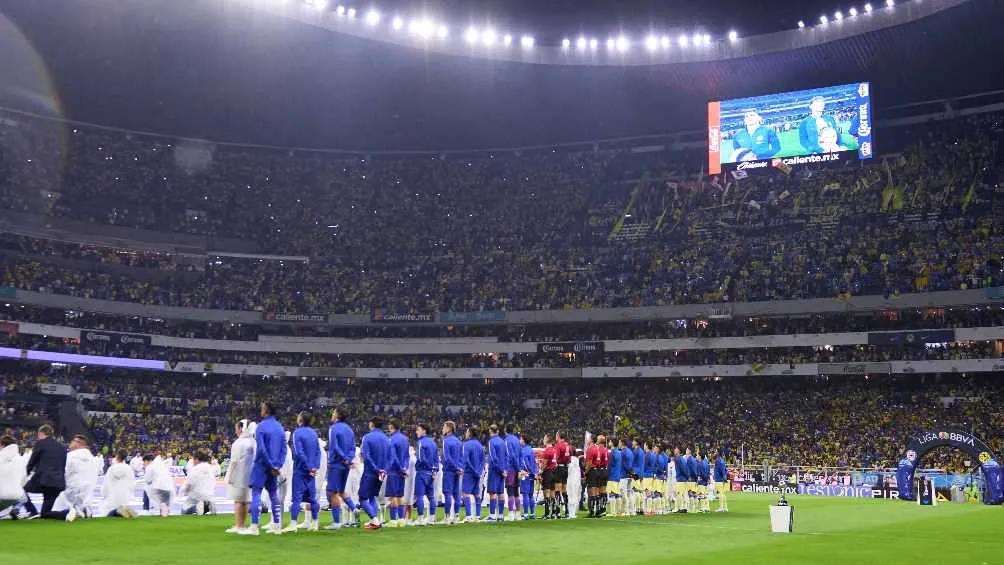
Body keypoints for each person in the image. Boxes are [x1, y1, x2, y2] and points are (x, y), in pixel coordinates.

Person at [242, 401, 287, 536]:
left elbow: (261, 449)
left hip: (262, 465)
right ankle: (276, 525)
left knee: (256, 493)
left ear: (266, 410)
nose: (260, 410)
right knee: (273, 494)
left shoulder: (261, 427)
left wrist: (270, 464)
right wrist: (277, 465)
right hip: (274, 467)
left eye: (262, 408)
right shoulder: (280, 427)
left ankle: (254, 526)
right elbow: (284, 449)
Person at [283, 411, 320, 532]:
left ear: (301, 419)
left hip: (301, 469)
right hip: (312, 471)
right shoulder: (314, 433)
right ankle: (315, 524)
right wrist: (315, 466)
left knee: (297, 499)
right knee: (312, 498)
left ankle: (293, 525)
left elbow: (299, 452)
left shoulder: (297, 433)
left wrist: (309, 466)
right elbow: (318, 452)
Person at [22, 424, 66, 519]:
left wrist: (24, 475)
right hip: (58, 483)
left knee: (21, 491)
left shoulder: (40, 443)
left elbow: (32, 462)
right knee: (45, 514)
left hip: (43, 480)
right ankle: (67, 513)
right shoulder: (62, 447)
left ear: (40, 433)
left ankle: (32, 511)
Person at [326, 406, 359, 530]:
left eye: (334, 412)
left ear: (337, 415)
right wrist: (348, 459)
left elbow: (334, 446)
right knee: (340, 490)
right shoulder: (350, 429)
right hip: (345, 465)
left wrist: (344, 458)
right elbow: (353, 447)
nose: (332, 414)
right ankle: (354, 509)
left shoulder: (333, 428)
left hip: (336, 463)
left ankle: (336, 522)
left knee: (332, 492)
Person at [57, 435, 100, 522]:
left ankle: (71, 511)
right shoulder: (92, 458)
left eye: (73, 441)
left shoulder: (70, 456)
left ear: (78, 444)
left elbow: (64, 472)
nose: (71, 443)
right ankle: (83, 509)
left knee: (56, 507)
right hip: (86, 492)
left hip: (71, 490)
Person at [225, 419, 256, 534]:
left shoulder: (238, 443)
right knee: (246, 501)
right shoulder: (253, 442)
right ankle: (243, 524)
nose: (236, 430)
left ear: (240, 428)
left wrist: (229, 476)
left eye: (237, 428)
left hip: (238, 475)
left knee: (238, 501)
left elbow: (233, 461)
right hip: (250, 476)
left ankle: (239, 525)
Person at [359, 416, 389, 529]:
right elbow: (390, 457)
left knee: (362, 497)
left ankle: (375, 520)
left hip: (370, 472)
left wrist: (376, 469)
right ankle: (374, 520)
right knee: (372, 497)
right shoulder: (387, 439)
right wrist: (383, 470)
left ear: (372, 424)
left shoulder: (367, 437)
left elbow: (366, 456)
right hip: (381, 474)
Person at [413, 423, 438, 526]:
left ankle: (420, 519)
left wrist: (417, 466)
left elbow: (420, 459)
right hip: (431, 473)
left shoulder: (420, 442)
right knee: (431, 497)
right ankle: (432, 518)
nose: (416, 432)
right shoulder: (433, 442)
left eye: (418, 430)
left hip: (422, 472)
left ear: (424, 431)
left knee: (419, 496)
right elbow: (436, 458)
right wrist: (434, 470)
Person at [385, 419, 409, 527]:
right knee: (400, 496)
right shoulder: (405, 439)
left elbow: (393, 458)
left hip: (394, 471)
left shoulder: (391, 439)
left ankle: (393, 520)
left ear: (391, 426)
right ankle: (401, 519)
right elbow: (407, 456)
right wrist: (405, 468)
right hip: (402, 472)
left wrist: (400, 469)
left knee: (393, 495)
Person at [181, 448, 217, 516]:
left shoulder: (195, 469)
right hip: (210, 496)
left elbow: (189, 484)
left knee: (184, 511)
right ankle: (208, 504)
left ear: (197, 459)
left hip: (197, 497)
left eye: (193, 460)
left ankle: (199, 506)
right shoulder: (211, 468)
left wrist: (184, 492)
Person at [101, 449, 136, 518]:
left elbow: (106, 485)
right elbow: (132, 485)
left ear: (117, 456)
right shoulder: (129, 469)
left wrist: (105, 495)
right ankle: (122, 510)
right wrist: (129, 494)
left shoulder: (112, 469)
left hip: (112, 499)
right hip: (125, 498)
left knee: (108, 514)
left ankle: (116, 511)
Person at [461, 425, 484, 523]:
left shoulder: (466, 445)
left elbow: (465, 460)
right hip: (478, 473)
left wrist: (473, 470)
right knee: (476, 494)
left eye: (467, 432)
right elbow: (482, 460)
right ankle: (477, 516)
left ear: (470, 433)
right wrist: (478, 471)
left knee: (465, 493)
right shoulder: (480, 445)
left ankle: (469, 516)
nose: (465, 433)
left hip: (469, 473)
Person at [440, 420, 462, 525]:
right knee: (456, 494)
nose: (442, 429)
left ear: (449, 429)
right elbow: (461, 457)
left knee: (448, 493)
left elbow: (447, 458)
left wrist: (455, 467)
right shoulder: (458, 441)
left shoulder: (446, 441)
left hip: (449, 470)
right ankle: (456, 516)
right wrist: (459, 468)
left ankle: (447, 517)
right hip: (457, 471)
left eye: (444, 427)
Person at [0, 435, 26, 518]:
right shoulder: (20, 459)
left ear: (2, 445)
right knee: (24, 497)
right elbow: (24, 477)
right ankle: (16, 509)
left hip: (2, 494)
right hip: (16, 495)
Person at [584, 434, 609, 518]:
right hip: (603, 470)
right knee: (601, 492)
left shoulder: (592, 449)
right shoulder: (604, 449)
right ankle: (601, 510)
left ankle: (593, 511)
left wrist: (586, 472)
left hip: (594, 471)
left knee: (593, 492)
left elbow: (589, 463)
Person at [485, 424, 506, 522]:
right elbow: (506, 456)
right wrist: (504, 470)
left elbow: (493, 458)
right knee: (500, 492)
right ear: (497, 431)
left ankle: (492, 515)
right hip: (502, 470)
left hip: (494, 470)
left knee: (493, 492)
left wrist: (500, 469)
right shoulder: (503, 442)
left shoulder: (491, 442)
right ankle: (501, 515)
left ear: (490, 431)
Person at [143, 453, 173, 517]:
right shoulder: (162, 464)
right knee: (164, 504)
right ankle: (164, 512)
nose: (144, 464)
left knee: (146, 489)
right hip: (169, 488)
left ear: (148, 461)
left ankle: (145, 509)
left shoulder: (150, 466)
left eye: (144, 462)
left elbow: (147, 480)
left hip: (158, 488)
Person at [502, 424, 522, 521]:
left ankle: (510, 514)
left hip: (510, 468)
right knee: (516, 492)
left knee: (510, 491)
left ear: (506, 430)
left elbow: (511, 455)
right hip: (517, 468)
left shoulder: (506, 440)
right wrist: (519, 468)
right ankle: (518, 514)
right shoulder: (517, 440)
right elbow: (520, 455)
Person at [553, 431, 572, 519]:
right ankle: (567, 511)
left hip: (559, 468)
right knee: (564, 490)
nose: (555, 437)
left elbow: (555, 458)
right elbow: (570, 458)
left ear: (559, 436)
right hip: (566, 468)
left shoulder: (558, 445)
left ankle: (558, 511)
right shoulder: (568, 445)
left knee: (557, 489)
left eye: (556, 435)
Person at [519, 435, 537, 520]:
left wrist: (526, 471)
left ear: (524, 440)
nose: (520, 440)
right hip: (532, 475)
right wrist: (534, 473)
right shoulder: (531, 450)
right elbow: (534, 463)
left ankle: (526, 514)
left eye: (521, 439)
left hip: (525, 474)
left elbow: (525, 462)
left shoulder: (523, 451)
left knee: (525, 494)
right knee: (530, 495)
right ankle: (532, 513)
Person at [539, 434, 557, 520]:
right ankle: (553, 513)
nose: (543, 440)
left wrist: (540, 472)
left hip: (548, 473)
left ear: (547, 440)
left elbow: (544, 464)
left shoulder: (547, 451)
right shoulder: (554, 450)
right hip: (554, 472)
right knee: (553, 493)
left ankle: (547, 514)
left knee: (546, 493)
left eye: (544, 438)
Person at [605, 437, 623, 517]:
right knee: (617, 494)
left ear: (612, 443)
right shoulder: (620, 452)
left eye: (610, 441)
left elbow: (609, 466)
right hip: (618, 476)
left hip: (612, 475)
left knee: (612, 494)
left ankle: (613, 512)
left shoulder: (611, 453)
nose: (609, 442)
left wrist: (606, 475)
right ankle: (619, 512)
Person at [641, 441, 656, 516]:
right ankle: (652, 510)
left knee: (647, 494)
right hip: (651, 475)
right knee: (651, 493)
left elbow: (644, 466)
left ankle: (647, 510)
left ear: (646, 446)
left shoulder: (647, 455)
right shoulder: (653, 454)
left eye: (644, 445)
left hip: (646, 475)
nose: (643, 446)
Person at [619, 438, 634, 515]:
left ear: (622, 443)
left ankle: (626, 511)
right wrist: (631, 472)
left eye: (619, 442)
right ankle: (632, 511)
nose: (619, 443)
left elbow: (624, 464)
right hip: (629, 475)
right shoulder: (630, 451)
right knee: (629, 493)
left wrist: (628, 471)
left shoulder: (623, 452)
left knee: (623, 492)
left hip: (624, 475)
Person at [631, 439, 645, 516]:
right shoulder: (642, 451)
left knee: (635, 491)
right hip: (641, 473)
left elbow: (632, 462)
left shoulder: (635, 451)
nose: (632, 442)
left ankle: (637, 509)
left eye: (633, 441)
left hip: (636, 473)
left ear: (636, 442)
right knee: (640, 491)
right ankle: (641, 508)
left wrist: (632, 472)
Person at [566, 449, 582, 519]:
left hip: (571, 479)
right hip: (577, 480)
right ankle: (573, 512)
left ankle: (571, 513)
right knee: (576, 495)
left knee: (571, 496)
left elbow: (570, 469)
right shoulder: (576, 459)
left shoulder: (571, 459)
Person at [654, 444, 670, 515]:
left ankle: (659, 509)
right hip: (664, 477)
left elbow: (659, 467)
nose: (654, 449)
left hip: (659, 476)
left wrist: (655, 472)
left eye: (655, 448)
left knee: (658, 493)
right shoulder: (665, 456)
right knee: (663, 493)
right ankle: (664, 508)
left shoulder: (659, 456)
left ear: (658, 449)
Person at [673, 447, 689, 513]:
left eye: (676, 449)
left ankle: (679, 508)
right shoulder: (680, 458)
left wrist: (685, 477)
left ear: (679, 450)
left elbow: (683, 469)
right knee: (683, 494)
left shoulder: (679, 458)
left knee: (679, 494)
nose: (674, 450)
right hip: (682, 479)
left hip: (680, 479)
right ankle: (684, 507)